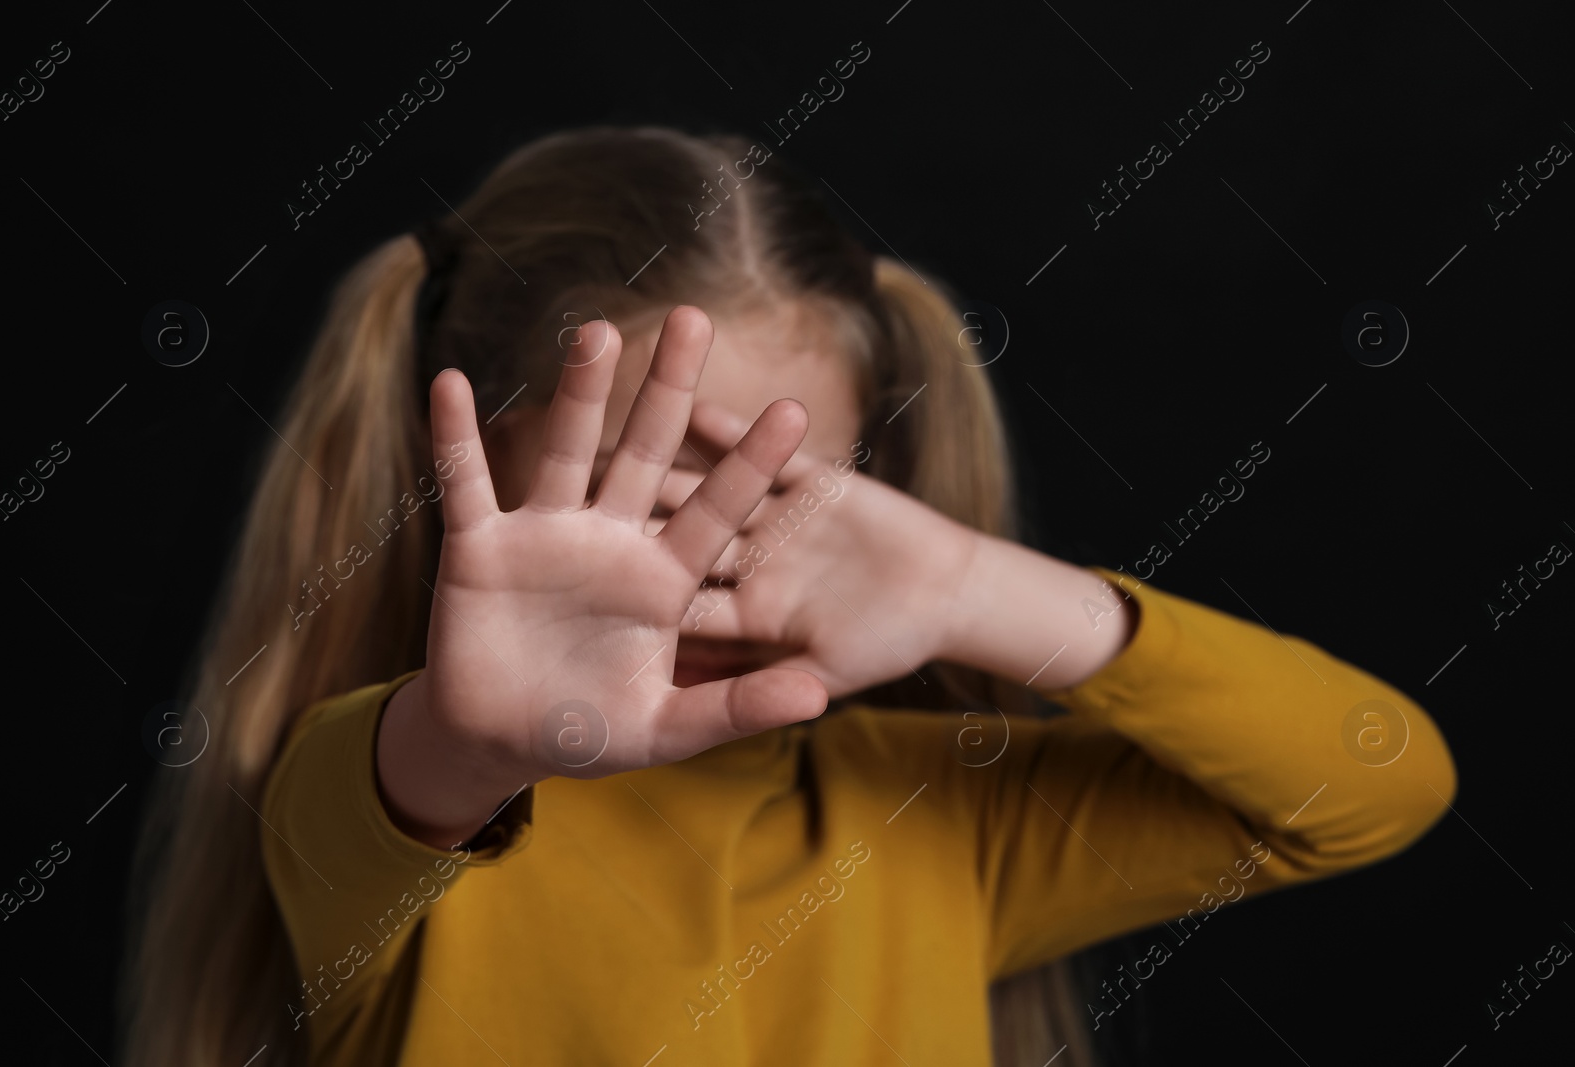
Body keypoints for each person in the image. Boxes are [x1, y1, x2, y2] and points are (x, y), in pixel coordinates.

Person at [121, 127, 1456, 1067]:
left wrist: (979, 588)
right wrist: (475, 730)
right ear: (462, 459)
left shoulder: (935, 815)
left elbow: (1377, 783)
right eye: (655, 476)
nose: (706, 541)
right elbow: (413, 770)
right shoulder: (368, 805)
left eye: (784, 487)